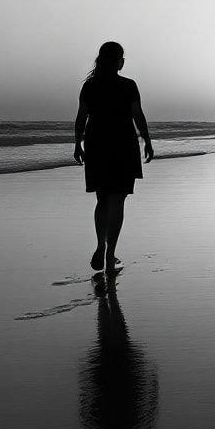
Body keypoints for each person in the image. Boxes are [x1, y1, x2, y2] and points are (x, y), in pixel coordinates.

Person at [74, 42, 153, 272]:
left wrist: (77, 143)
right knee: (117, 201)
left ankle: (100, 245)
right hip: (122, 145)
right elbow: (137, 115)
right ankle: (110, 253)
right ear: (119, 61)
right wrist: (147, 140)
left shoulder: (90, 86)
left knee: (102, 200)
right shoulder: (128, 85)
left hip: (97, 144)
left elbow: (81, 117)